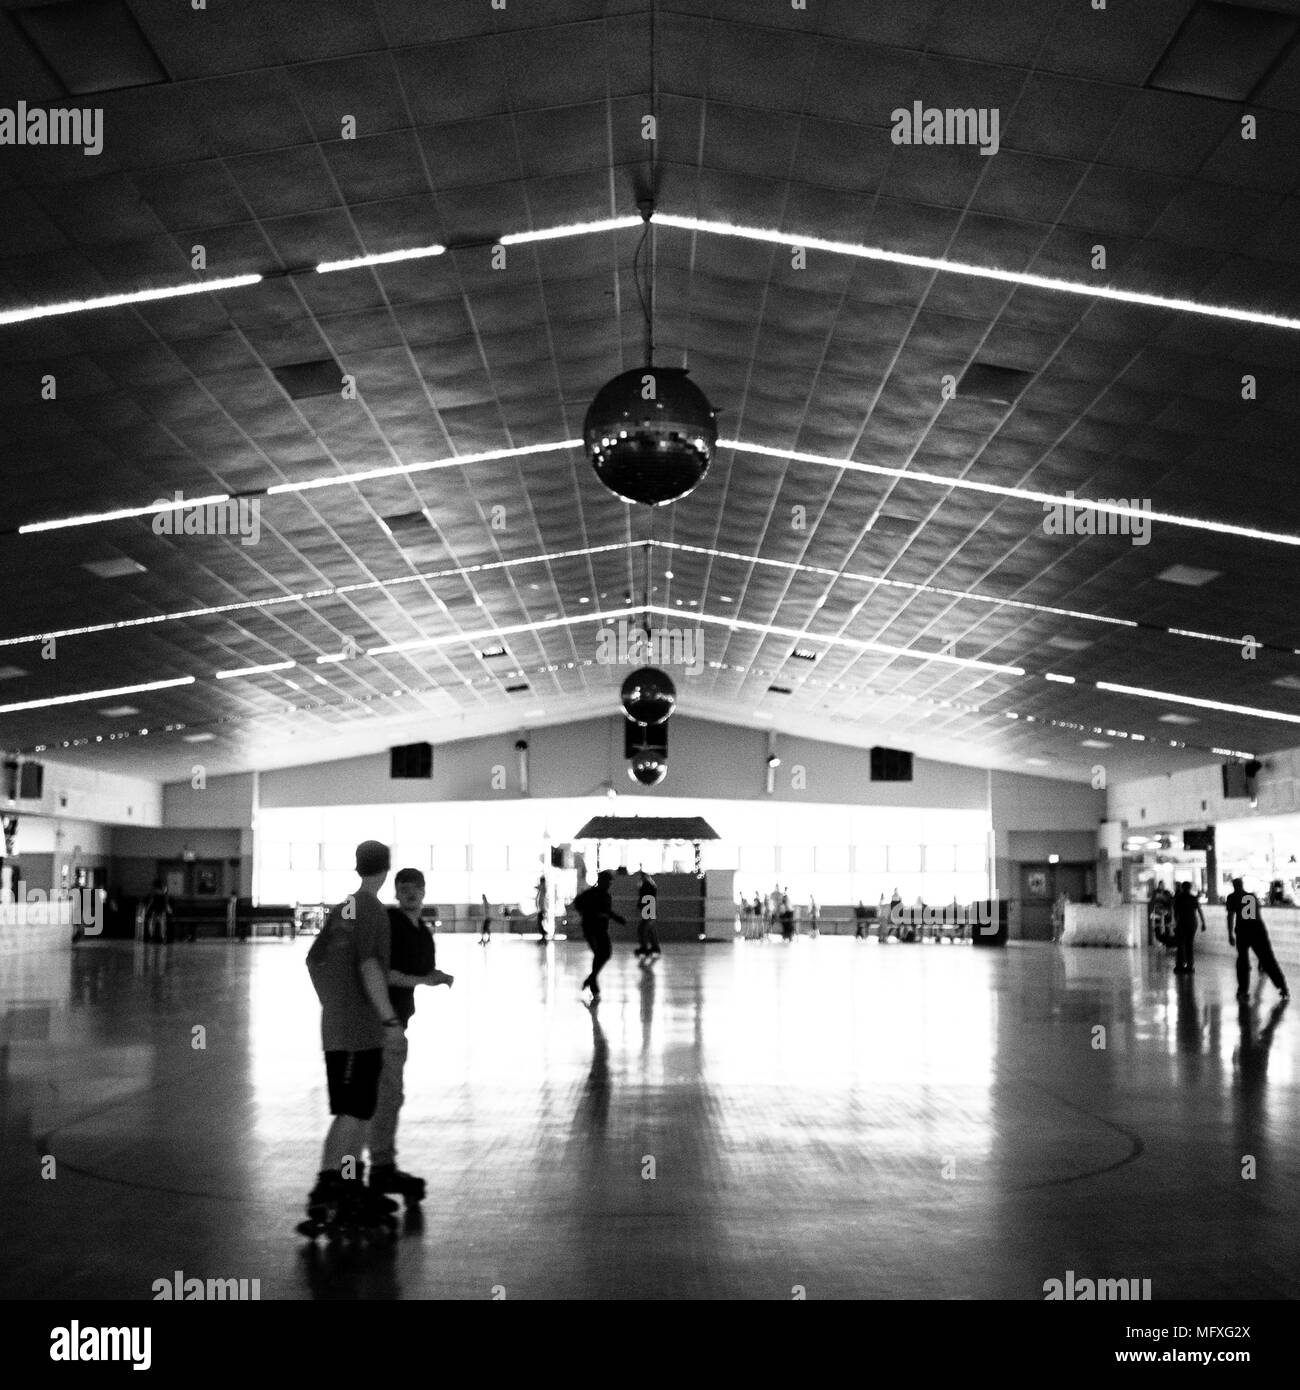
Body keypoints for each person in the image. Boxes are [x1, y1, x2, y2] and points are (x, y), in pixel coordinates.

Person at [302, 840, 403, 1230]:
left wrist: (332, 1001)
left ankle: (348, 1183)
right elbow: (370, 968)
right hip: (360, 1030)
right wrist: (389, 1020)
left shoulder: (344, 907)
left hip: (336, 1026)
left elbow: (314, 959)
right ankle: (328, 1185)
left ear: (358, 866)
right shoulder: (374, 910)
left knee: (358, 1110)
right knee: (352, 1112)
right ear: (386, 868)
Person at [369, 867, 455, 1204]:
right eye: (403, 888)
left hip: (398, 1021)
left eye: (415, 888)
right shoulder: (391, 924)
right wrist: (423, 981)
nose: (410, 893)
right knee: (385, 1095)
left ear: (424, 891)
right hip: (382, 1021)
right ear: (396, 892)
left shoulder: (422, 932)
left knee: (391, 1094)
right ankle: (379, 1167)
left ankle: (380, 1162)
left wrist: (436, 976)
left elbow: (422, 972)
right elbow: (382, 973)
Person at [1226, 877, 1290, 1001]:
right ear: (1242, 885)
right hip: (1257, 929)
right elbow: (1255, 913)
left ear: (1234, 886)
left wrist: (1230, 934)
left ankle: (1243, 990)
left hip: (1243, 930)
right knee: (1268, 959)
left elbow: (1230, 916)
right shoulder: (1252, 896)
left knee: (1242, 961)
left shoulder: (1232, 897)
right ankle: (1283, 987)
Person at [572, 869, 626, 1003]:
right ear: (601, 881)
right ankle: (592, 983)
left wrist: (616, 918)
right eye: (608, 881)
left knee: (603, 954)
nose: (610, 884)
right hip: (592, 929)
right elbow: (578, 903)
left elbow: (606, 911)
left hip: (600, 929)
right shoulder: (591, 894)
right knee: (601, 953)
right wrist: (588, 914)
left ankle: (591, 980)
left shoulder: (605, 895)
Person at [1171, 881, 1205, 975]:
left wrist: (1176, 923)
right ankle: (1190, 966)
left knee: (1181, 944)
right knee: (1189, 944)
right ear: (1190, 888)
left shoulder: (1178, 898)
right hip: (1192, 923)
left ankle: (1180, 965)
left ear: (1182, 888)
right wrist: (1203, 923)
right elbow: (1199, 910)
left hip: (1182, 923)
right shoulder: (1193, 898)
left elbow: (1175, 912)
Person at [634, 870, 660, 960]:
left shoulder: (645, 886)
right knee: (650, 929)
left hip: (648, 908)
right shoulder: (651, 884)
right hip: (650, 908)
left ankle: (644, 948)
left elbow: (643, 898)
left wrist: (641, 905)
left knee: (643, 929)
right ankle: (654, 948)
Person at [143, 879, 172, 944]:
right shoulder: (161, 894)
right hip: (157, 911)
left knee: (158, 925)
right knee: (159, 925)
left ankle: (156, 937)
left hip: (158, 911)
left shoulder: (157, 894)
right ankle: (160, 938)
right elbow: (165, 903)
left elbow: (165, 903)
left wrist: (147, 910)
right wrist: (168, 909)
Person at [535, 874, 549, 942]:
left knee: (540, 923)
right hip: (541, 909)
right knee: (540, 923)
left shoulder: (543, 888)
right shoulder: (542, 889)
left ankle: (544, 935)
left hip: (542, 909)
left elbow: (538, 887)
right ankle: (543, 936)